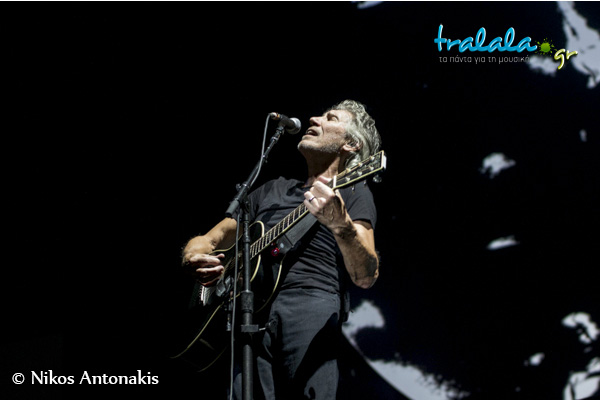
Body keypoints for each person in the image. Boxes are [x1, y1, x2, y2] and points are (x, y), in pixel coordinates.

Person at [182, 99, 382, 399]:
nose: (314, 118)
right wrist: (192, 256)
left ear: (351, 144)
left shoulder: (353, 191)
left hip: (310, 306)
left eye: (330, 118)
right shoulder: (272, 189)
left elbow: (366, 275)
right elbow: (210, 239)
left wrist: (341, 225)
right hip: (249, 315)